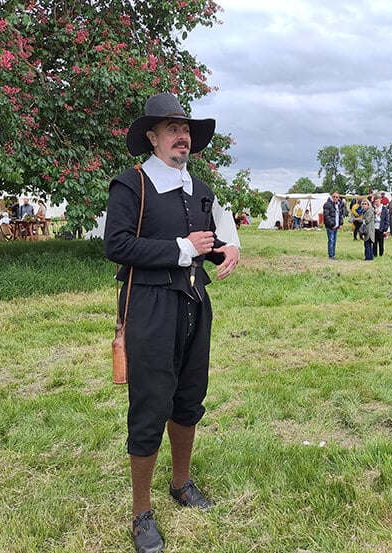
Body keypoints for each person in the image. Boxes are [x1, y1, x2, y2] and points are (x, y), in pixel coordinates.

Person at [104, 92, 239, 553]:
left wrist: (226, 247)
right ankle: (141, 512)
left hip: (194, 303)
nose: (182, 136)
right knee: (149, 406)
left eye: (186, 130)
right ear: (152, 138)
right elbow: (116, 245)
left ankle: (180, 484)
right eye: (171, 129)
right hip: (149, 306)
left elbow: (210, 235)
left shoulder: (200, 190)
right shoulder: (131, 186)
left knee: (188, 397)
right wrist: (181, 248)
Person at [323, 192, 347, 259]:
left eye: (337, 197)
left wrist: (341, 223)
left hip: (336, 226)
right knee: (331, 240)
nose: (335, 198)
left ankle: (333, 254)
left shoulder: (339, 205)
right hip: (330, 226)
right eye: (334, 197)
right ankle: (331, 255)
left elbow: (340, 215)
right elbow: (326, 216)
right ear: (331, 197)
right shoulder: (327, 204)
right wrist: (332, 224)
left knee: (334, 241)